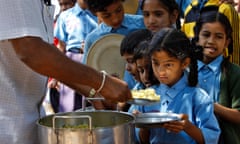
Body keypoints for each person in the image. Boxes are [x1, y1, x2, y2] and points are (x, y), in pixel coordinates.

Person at [0, 1, 132, 143]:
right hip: (8, 126)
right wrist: (102, 82)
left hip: (27, 121)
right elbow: (30, 51)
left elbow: (47, 57)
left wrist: (93, 91)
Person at [135, 28, 220, 143]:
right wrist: (142, 124)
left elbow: (212, 139)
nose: (161, 71)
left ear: (184, 63)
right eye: (156, 63)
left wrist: (188, 127)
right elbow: (142, 140)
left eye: (168, 65)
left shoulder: (198, 98)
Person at [194, 10, 240, 144]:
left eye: (219, 37)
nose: (211, 41)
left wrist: (209, 105)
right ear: (197, 37)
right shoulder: (185, 70)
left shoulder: (234, 73)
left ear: (227, 42)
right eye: (206, 35)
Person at [83, 0, 146, 90]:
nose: (115, 19)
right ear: (95, 13)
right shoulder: (93, 39)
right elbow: (88, 76)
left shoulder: (141, 24)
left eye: (119, 10)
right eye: (107, 15)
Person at [52, 0, 98, 112]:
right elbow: (61, 48)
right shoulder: (65, 16)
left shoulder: (98, 15)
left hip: (92, 60)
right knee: (69, 104)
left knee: (93, 100)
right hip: (71, 59)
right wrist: (55, 76)